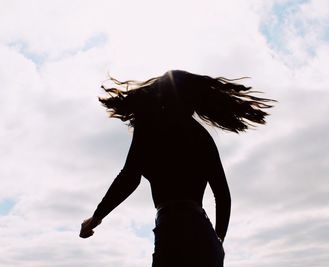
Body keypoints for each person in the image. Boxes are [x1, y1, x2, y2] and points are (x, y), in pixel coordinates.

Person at [79, 70, 275, 267]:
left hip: (172, 231)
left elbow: (129, 178)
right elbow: (223, 195)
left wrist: (97, 217)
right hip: (202, 237)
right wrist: (219, 241)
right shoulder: (201, 136)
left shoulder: (149, 127)